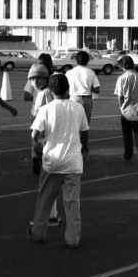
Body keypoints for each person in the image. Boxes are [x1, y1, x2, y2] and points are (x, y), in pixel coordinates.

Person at [27, 74, 89, 248]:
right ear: (68, 89)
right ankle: (73, 239)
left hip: (52, 161)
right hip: (73, 161)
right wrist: (84, 146)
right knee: (72, 203)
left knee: (45, 200)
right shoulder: (78, 108)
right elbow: (84, 131)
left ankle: (38, 232)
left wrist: (40, 143)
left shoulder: (46, 109)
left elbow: (35, 135)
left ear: (51, 90)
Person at [24, 62, 61, 227]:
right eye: (32, 79)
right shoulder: (46, 92)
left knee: (47, 182)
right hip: (48, 140)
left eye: (38, 78)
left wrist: (38, 141)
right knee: (50, 181)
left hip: (45, 141)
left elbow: (42, 118)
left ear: (46, 78)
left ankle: (47, 218)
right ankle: (52, 214)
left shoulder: (44, 94)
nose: (35, 82)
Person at [115, 55, 138, 164]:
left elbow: (120, 96)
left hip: (126, 109)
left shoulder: (122, 78)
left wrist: (121, 108)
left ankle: (128, 155)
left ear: (123, 66)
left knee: (127, 133)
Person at [66, 51, 101, 124]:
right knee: (85, 124)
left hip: (73, 98)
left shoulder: (69, 72)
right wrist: (89, 87)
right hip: (86, 99)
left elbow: (65, 87)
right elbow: (97, 89)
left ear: (76, 60)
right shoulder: (91, 72)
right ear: (88, 61)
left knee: (74, 123)